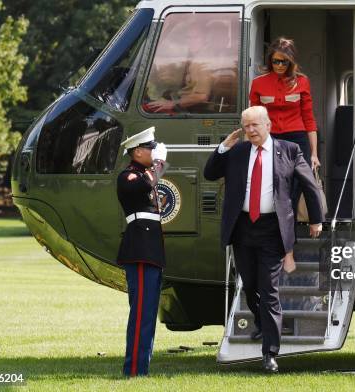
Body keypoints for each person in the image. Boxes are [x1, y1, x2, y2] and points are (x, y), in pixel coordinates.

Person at [203, 106, 323, 373]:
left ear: (268, 125)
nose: (251, 130)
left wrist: (316, 219)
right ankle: (262, 322)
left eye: (255, 125)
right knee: (249, 286)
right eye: (246, 126)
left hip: (273, 229)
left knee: (269, 291)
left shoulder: (289, 150)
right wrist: (223, 147)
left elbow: (309, 185)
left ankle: (270, 352)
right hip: (243, 228)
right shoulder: (237, 152)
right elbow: (209, 174)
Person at [249, 37, 321, 272]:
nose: (279, 66)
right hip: (273, 139)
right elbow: (253, 118)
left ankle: (289, 245)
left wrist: (314, 153)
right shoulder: (259, 83)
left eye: (284, 62)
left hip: (298, 138)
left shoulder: (302, 82)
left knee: (294, 191)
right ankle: (283, 245)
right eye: (276, 61)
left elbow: (309, 119)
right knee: (279, 192)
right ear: (270, 61)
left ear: (291, 63)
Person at [116, 127, 168, 377]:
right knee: (141, 313)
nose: (155, 151)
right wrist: (160, 163)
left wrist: (156, 163)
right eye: (151, 148)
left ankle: (141, 367)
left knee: (147, 312)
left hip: (151, 251)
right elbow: (143, 186)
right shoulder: (129, 176)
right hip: (139, 251)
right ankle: (134, 370)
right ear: (137, 152)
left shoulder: (144, 175)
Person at [143, 23, 214, 114]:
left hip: (191, 111)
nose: (191, 42)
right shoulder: (196, 57)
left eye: (196, 38)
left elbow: (202, 96)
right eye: (188, 38)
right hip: (184, 106)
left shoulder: (201, 61)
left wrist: (173, 103)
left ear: (206, 39)